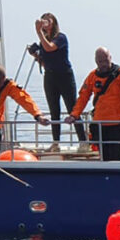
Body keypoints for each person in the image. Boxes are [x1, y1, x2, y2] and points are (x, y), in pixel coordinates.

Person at [65, 47, 120, 161]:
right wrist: (74, 115)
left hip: (117, 124)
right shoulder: (92, 76)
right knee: (104, 157)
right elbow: (83, 97)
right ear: (96, 61)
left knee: (117, 156)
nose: (103, 64)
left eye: (105, 60)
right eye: (100, 61)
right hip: (99, 124)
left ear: (110, 58)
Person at [33, 13, 87, 151]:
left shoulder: (61, 38)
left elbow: (50, 47)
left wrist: (39, 32)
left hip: (64, 76)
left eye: (48, 20)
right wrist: (35, 55)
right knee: (54, 110)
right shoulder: (43, 40)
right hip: (50, 76)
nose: (45, 23)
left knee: (72, 109)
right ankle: (56, 143)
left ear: (54, 22)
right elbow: (45, 61)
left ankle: (83, 142)